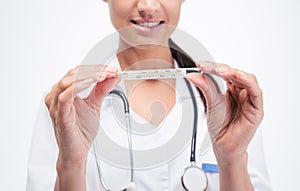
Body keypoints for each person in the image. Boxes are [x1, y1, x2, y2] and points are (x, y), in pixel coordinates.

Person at [26, 0, 272, 190]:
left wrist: (232, 160)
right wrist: (71, 164)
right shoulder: (65, 103)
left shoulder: (228, 98)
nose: (147, 6)